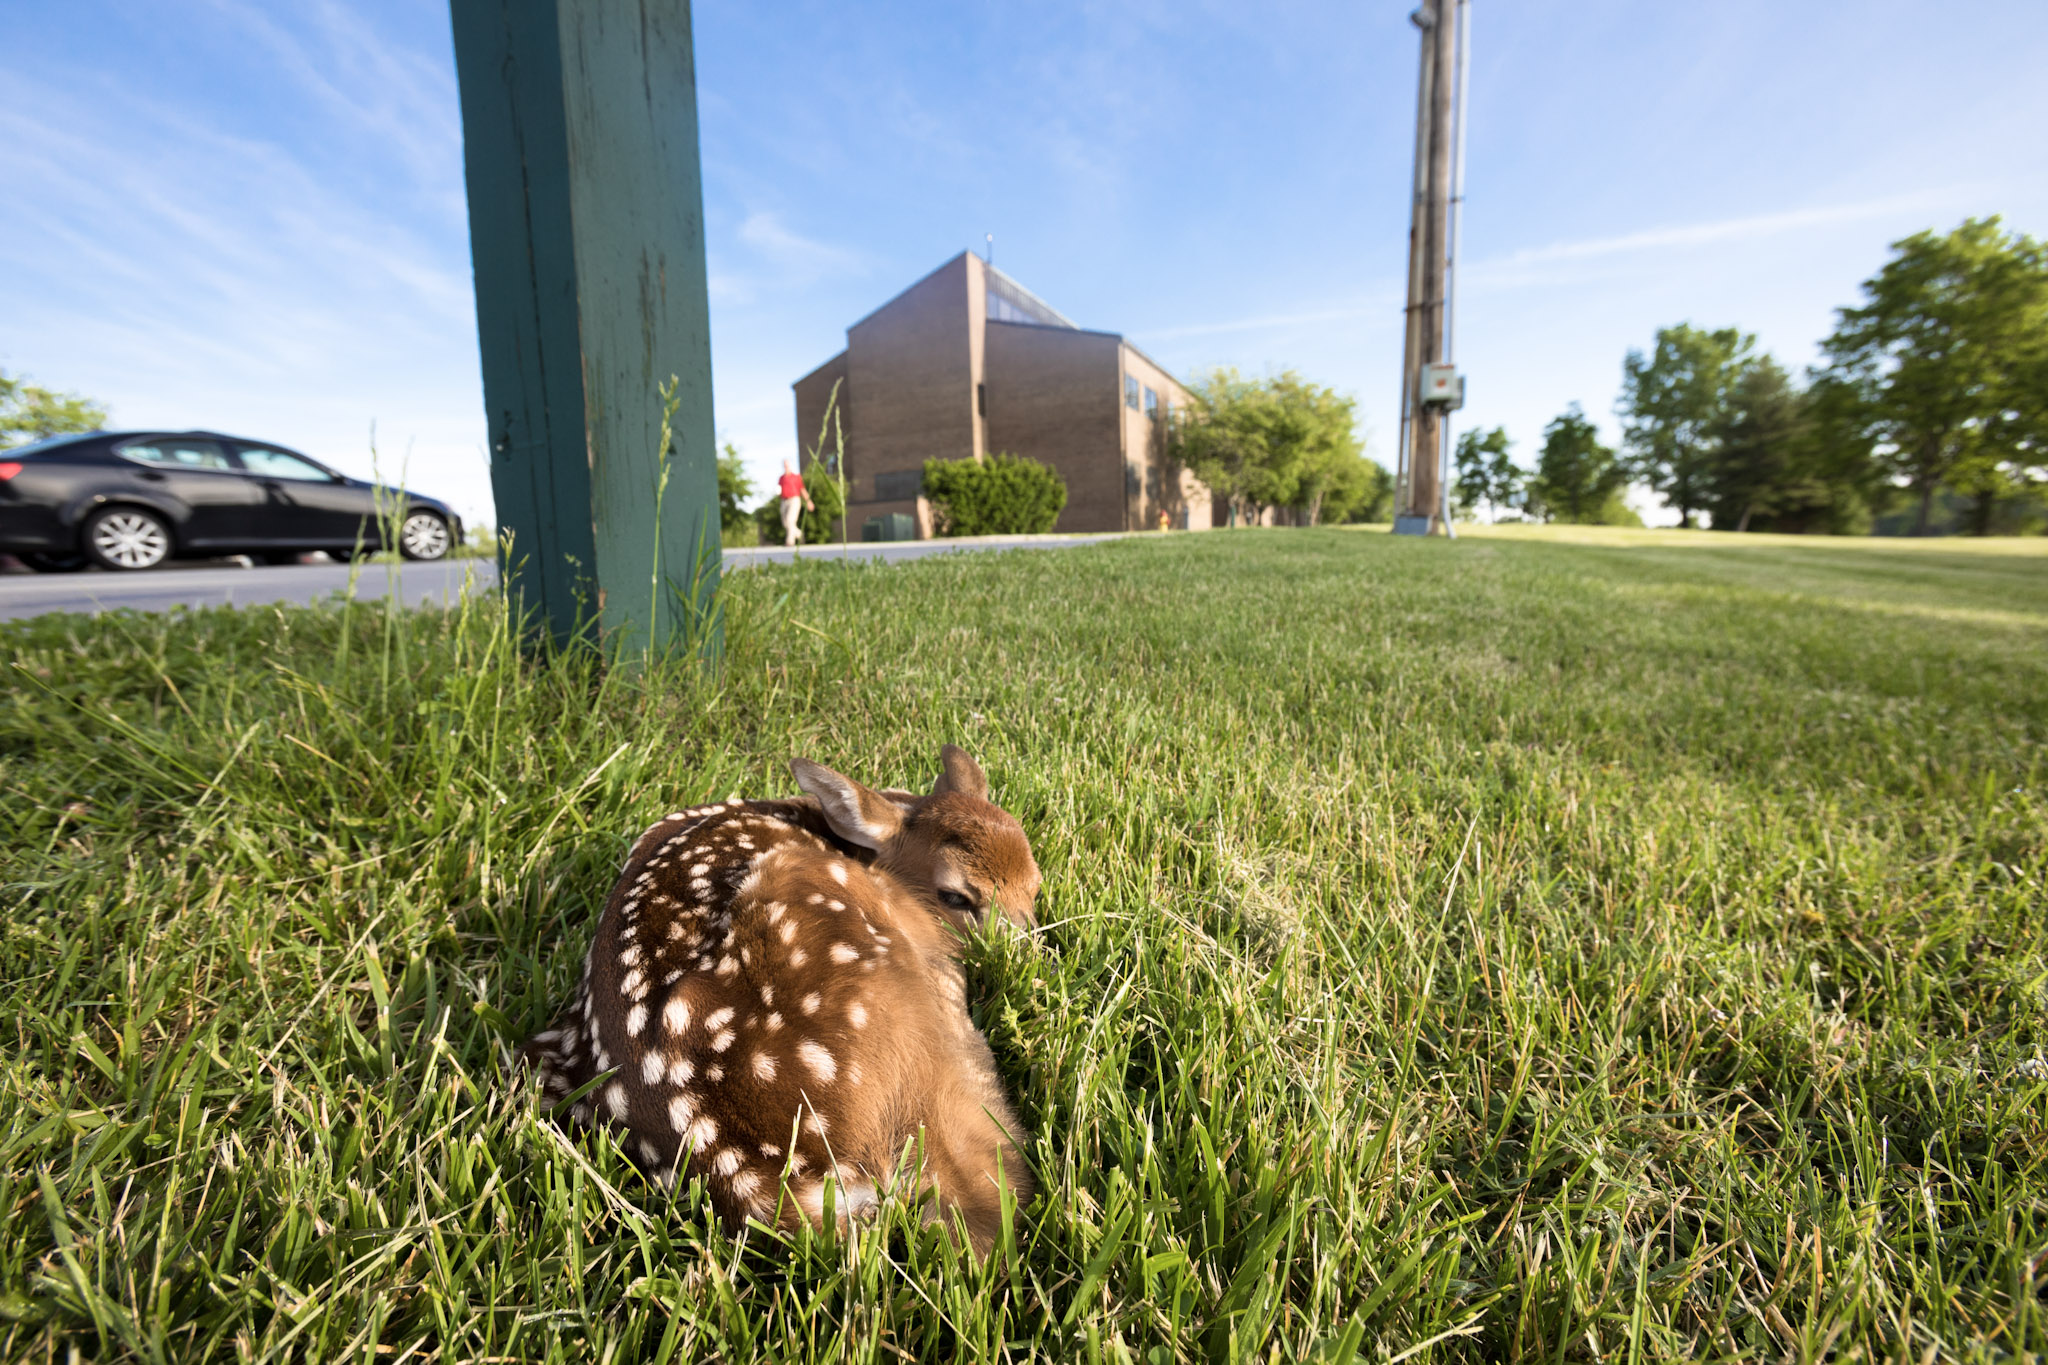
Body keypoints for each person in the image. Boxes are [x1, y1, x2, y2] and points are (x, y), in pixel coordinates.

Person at [778, 459, 814, 547]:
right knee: (785, 523)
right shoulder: (781, 478)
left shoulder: (796, 477)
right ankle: (799, 534)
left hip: (794, 500)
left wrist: (808, 501)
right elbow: (779, 489)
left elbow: (802, 490)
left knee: (790, 520)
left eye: (787, 465)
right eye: (784, 465)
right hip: (784, 500)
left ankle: (790, 542)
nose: (786, 466)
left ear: (790, 466)